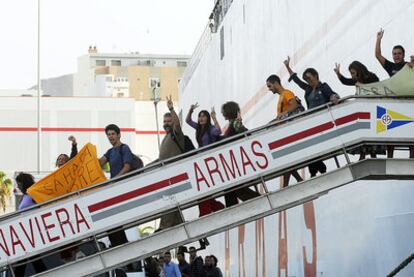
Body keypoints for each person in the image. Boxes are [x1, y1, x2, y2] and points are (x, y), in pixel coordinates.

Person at [284, 56, 339, 178]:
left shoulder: (323, 86)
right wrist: (287, 67)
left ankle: (315, 171)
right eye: (306, 79)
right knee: (309, 147)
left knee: (313, 146)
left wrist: (334, 97)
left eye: (309, 78)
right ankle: (318, 169)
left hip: (322, 121)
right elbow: (296, 80)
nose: (308, 80)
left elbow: (332, 94)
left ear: (315, 75)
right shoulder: (308, 88)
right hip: (311, 122)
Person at [99, 124, 134, 271]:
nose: (111, 137)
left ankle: (128, 260)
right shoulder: (110, 151)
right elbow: (98, 163)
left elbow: (127, 167)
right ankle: (126, 260)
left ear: (119, 135)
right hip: (114, 189)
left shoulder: (124, 148)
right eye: (108, 135)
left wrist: (114, 179)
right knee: (113, 227)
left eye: (113, 134)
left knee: (115, 224)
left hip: (121, 188)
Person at [334, 61, 386, 160]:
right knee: (363, 133)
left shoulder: (371, 77)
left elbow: (377, 88)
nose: (352, 76)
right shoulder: (356, 79)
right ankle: (363, 155)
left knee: (372, 133)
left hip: (371, 110)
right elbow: (345, 81)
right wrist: (338, 74)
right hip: (362, 111)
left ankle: (373, 155)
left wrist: (361, 85)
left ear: (359, 70)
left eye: (353, 73)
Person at [375, 30, 414, 158]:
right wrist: (379, 39)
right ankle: (390, 155)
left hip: (408, 102)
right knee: (390, 128)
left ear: (403, 55)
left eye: (399, 54)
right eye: (394, 54)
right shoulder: (390, 66)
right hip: (394, 103)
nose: (396, 56)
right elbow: (378, 55)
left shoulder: (409, 66)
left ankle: (412, 155)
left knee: (410, 128)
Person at [186, 103, 225, 216]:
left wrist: (214, 117)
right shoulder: (198, 128)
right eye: (200, 116)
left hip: (209, 160)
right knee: (202, 187)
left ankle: (207, 210)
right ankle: (215, 206)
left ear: (207, 118)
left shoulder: (211, 129)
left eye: (204, 116)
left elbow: (219, 132)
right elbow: (188, 120)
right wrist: (191, 110)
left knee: (204, 187)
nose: (201, 118)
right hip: (200, 160)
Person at [266, 74, 304, 187]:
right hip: (284, 132)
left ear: (276, 83)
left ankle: (288, 184)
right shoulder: (281, 96)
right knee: (286, 160)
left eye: (269, 86)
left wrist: (283, 114)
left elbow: (294, 105)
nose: (269, 89)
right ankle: (290, 183)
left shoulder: (286, 93)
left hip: (287, 132)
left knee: (285, 160)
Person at [221, 101, 261, 207]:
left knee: (236, 188)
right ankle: (255, 199)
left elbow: (243, 131)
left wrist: (239, 120)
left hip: (237, 159)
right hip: (236, 159)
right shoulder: (232, 123)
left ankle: (257, 199)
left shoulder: (235, 123)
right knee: (234, 188)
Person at [157, 95, 185, 231]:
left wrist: (171, 109)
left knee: (168, 199)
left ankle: (165, 226)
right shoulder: (166, 137)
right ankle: (178, 223)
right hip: (167, 174)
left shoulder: (176, 133)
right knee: (171, 201)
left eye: (169, 121)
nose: (166, 123)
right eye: (165, 121)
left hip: (174, 173)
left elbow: (178, 125)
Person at [13, 173, 48, 276]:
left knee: (26, 260)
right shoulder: (25, 195)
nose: (18, 186)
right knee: (34, 260)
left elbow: (44, 205)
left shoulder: (33, 193)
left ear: (25, 182)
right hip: (26, 231)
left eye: (19, 183)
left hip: (33, 230)